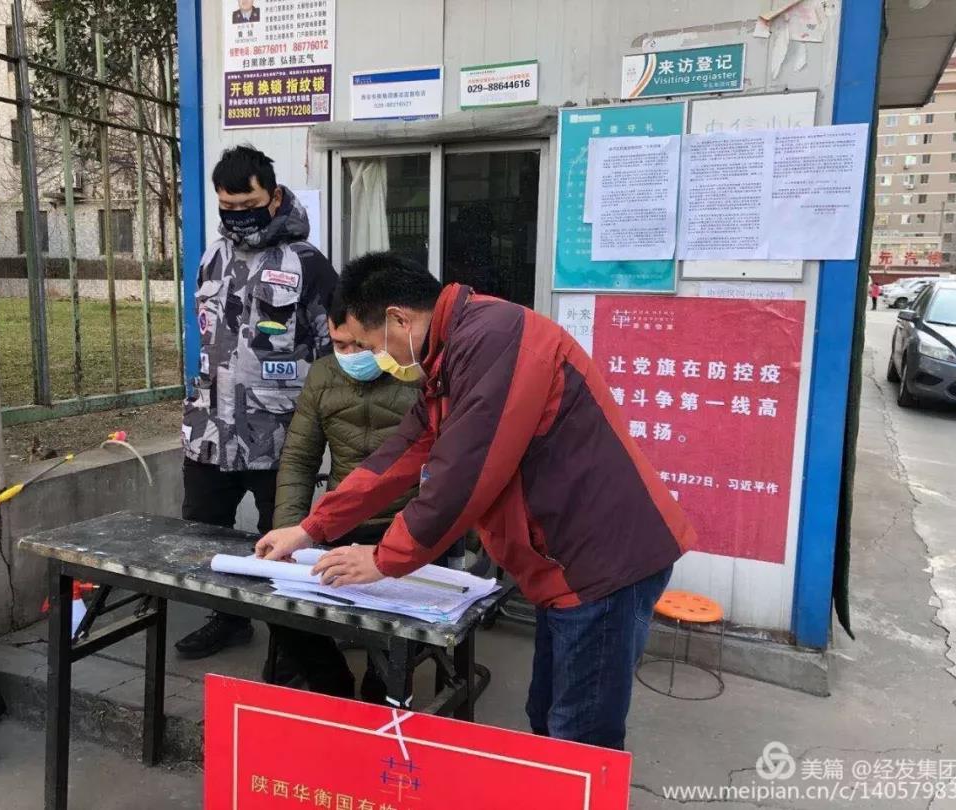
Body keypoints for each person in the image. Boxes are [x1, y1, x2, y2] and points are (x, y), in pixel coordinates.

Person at [255, 252, 696, 751]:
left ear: (399, 319)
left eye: (371, 344)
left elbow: (461, 479)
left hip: (603, 564)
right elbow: (401, 453)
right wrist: (311, 528)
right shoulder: (450, 354)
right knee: (548, 718)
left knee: (578, 736)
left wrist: (383, 558)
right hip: (562, 564)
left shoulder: (494, 341)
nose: (373, 357)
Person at [178, 145, 336, 659]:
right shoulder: (212, 257)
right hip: (209, 432)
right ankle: (228, 620)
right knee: (205, 537)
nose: (237, 216)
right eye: (227, 207)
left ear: (274, 197)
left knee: (284, 543)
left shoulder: (307, 264)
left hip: (280, 436)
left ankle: (293, 645)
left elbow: (336, 350)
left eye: (247, 205)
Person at [267, 291, 420, 700]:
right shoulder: (322, 376)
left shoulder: (417, 374)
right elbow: (299, 459)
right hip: (338, 523)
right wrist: (290, 531)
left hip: (405, 527)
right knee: (274, 596)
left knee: (396, 626)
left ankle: (378, 696)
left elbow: (443, 469)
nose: (351, 355)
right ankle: (330, 683)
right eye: (339, 345)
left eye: (359, 345)